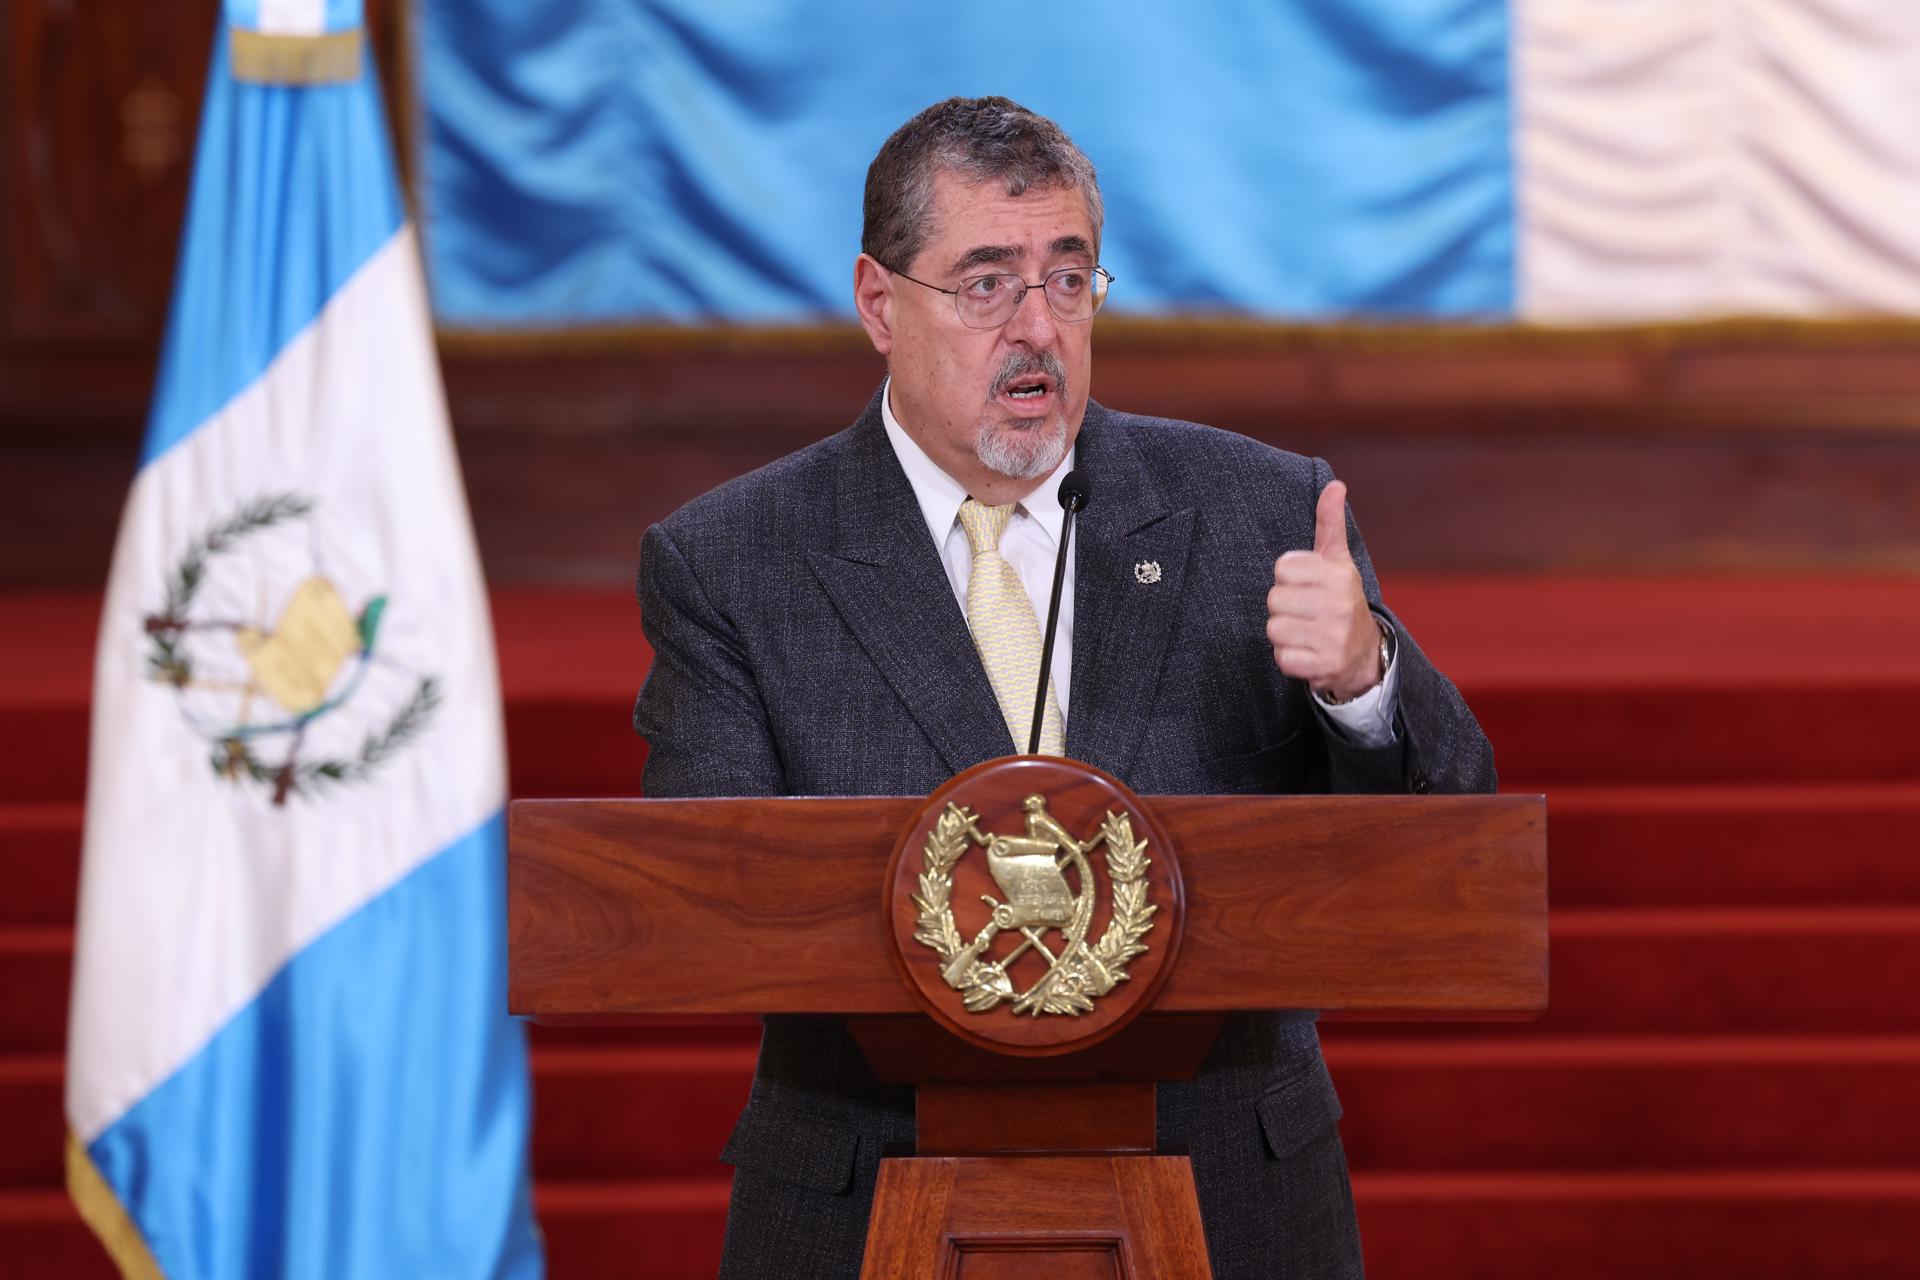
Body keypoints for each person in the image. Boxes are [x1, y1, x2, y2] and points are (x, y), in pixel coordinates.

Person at [634, 95, 1495, 1280]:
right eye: (986, 281)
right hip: (869, 1191)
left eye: (1069, 277)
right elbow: (706, 901)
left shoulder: (1257, 513)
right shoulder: (733, 560)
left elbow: (1444, 848)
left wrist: (1365, 679)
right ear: (881, 305)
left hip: (1229, 1189)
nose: (1037, 326)